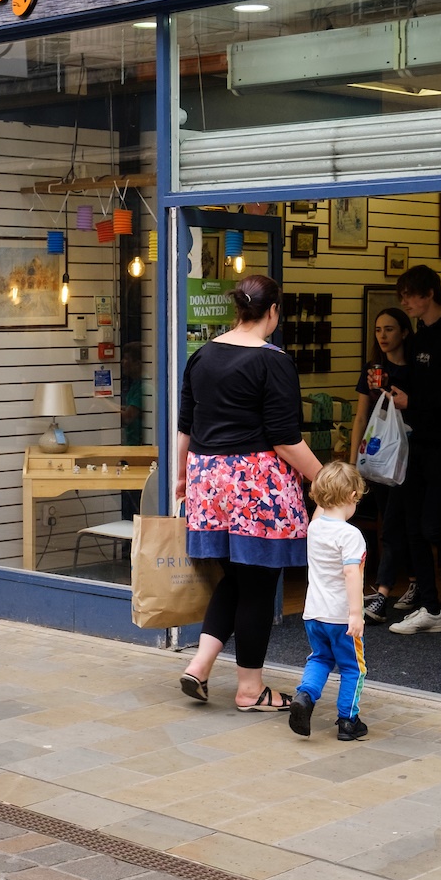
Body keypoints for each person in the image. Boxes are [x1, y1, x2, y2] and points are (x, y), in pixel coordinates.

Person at [174, 273, 322, 712]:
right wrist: (324, 478)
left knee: (234, 578)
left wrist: (182, 478)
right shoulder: (273, 361)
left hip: (206, 480)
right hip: (255, 485)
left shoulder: (202, 355)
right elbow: (284, 439)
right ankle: (249, 689)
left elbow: (185, 427)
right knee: (258, 584)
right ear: (273, 311)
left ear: (238, 309)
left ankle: (199, 666)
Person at [384, 266, 441, 636]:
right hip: (415, 442)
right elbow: (414, 385)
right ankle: (430, 608)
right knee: (413, 527)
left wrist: (413, 402)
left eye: (409, 295)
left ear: (429, 294)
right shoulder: (416, 339)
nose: (405, 302)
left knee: (432, 526)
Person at [289, 461, 369, 742]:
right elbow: (351, 573)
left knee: (320, 658)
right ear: (353, 496)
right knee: (353, 668)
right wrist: (356, 613)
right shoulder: (351, 535)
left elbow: (321, 512)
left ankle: (305, 696)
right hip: (340, 617)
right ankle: (348, 721)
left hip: (314, 613)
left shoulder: (315, 528)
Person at [350, 308, 413, 626]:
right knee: (396, 520)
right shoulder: (373, 370)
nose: (383, 336)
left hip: (407, 456)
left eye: (389, 329)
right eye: (378, 330)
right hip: (378, 457)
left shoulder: (415, 368)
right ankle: (415, 581)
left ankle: (383, 592)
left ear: (404, 332)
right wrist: (353, 463)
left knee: (393, 524)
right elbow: (361, 415)